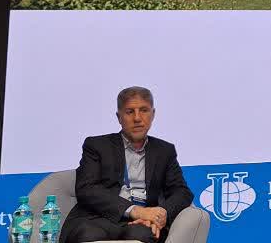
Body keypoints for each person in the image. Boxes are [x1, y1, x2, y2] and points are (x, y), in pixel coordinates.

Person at [62, 86, 193, 243]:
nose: (137, 118)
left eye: (144, 110)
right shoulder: (97, 145)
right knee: (89, 234)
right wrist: (134, 210)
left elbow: (181, 191)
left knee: (143, 235)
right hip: (99, 218)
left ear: (153, 114)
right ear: (119, 117)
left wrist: (160, 214)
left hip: (142, 223)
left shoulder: (165, 151)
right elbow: (87, 188)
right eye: (130, 112)